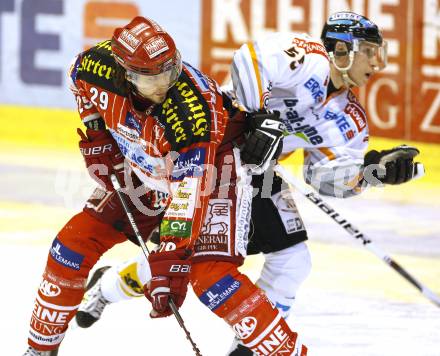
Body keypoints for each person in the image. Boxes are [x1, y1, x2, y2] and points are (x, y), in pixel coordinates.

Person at [73, 11, 422, 356]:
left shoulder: (350, 119)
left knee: (292, 260)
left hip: (260, 172)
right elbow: (249, 60)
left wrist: (372, 171)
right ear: (343, 49)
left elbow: (323, 179)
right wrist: (258, 116)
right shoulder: (305, 56)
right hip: (216, 153)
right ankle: (107, 287)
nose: (377, 64)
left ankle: (249, 346)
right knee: (191, 259)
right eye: (370, 52)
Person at [23, 16, 307, 356]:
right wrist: (96, 130)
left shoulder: (190, 110)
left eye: (169, 71)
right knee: (72, 244)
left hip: (215, 170)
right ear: (125, 72)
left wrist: (171, 253)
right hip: (145, 163)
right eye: (150, 76)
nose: (163, 84)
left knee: (210, 276)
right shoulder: (94, 65)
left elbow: (189, 190)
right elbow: (77, 79)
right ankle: (40, 350)